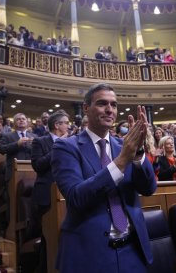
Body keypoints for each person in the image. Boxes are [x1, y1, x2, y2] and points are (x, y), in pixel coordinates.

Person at [51, 83, 157, 272]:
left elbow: (148, 188)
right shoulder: (66, 147)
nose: (110, 110)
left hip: (132, 251)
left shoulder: (124, 145)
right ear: (86, 108)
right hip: (89, 255)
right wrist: (123, 160)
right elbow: (76, 196)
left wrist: (139, 153)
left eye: (114, 105)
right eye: (102, 103)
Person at [31, 109, 69, 273]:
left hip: (66, 194)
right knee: (49, 237)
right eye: (66, 122)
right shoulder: (40, 141)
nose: (68, 125)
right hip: (46, 195)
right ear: (57, 125)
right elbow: (38, 165)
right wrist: (59, 145)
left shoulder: (71, 141)